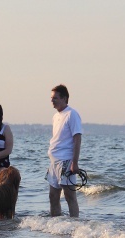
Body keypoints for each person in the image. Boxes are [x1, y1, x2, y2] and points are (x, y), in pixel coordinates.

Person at [46, 84, 83, 217]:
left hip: (66, 160)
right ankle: (55, 225)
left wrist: (75, 162)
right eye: (51, 98)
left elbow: (77, 138)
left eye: (55, 98)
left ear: (64, 98)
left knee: (69, 196)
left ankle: (74, 225)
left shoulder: (72, 114)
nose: (52, 100)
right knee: (53, 196)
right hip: (54, 161)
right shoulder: (56, 116)